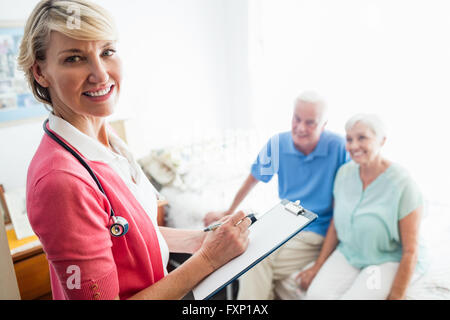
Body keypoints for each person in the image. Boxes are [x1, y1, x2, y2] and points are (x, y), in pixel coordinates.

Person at [20, 0, 251, 300]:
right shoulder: (62, 182)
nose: (101, 75)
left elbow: (130, 236)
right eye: (75, 58)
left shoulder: (104, 136)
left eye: (107, 52)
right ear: (40, 72)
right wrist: (207, 260)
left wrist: (200, 240)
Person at [203, 91, 350, 300]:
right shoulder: (278, 143)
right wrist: (228, 211)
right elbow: (253, 179)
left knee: (254, 262)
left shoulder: (339, 148)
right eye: (296, 119)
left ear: (324, 124)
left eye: (310, 123)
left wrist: (319, 266)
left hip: (316, 230)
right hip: (284, 222)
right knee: (252, 253)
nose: (300, 128)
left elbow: (342, 209)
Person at [298, 113, 427, 300]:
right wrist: (318, 266)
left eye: (362, 138)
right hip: (350, 252)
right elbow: (336, 223)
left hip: (385, 259)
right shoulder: (343, 173)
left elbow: (411, 250)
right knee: (315, 296)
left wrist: (396, 296)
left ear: (382, 140)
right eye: (349, 139)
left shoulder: (403, 183)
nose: (353, 146)